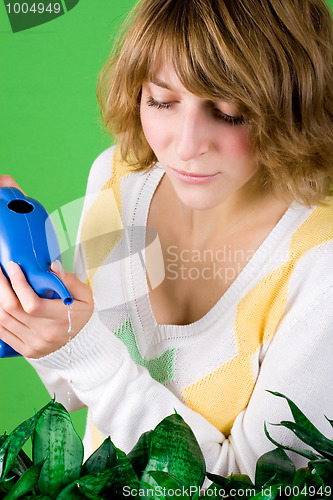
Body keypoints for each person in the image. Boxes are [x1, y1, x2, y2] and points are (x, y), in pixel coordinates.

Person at [0, 0, 332, 481]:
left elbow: (245, 487)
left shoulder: (320, 265)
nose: (185, 144)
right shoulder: (119, 177)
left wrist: (84, 350)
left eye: (227, 112)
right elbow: (71, 390)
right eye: (162, 101)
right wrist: (29, 299)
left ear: (294, 105)